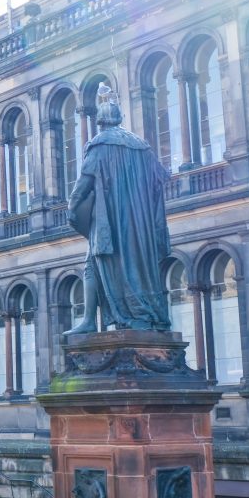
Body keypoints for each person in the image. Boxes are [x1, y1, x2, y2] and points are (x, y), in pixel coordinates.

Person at [66, 99, 171, 335]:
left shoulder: (98, 145)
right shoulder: (141, 146)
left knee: (93, 263)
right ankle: (94, 320)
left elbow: (84, 182)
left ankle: (94, 320)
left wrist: (72, 206)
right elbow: (161, 178)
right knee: (134, 267)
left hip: (108, 220)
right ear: (120, 118)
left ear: (100, 122)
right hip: (139, 223)